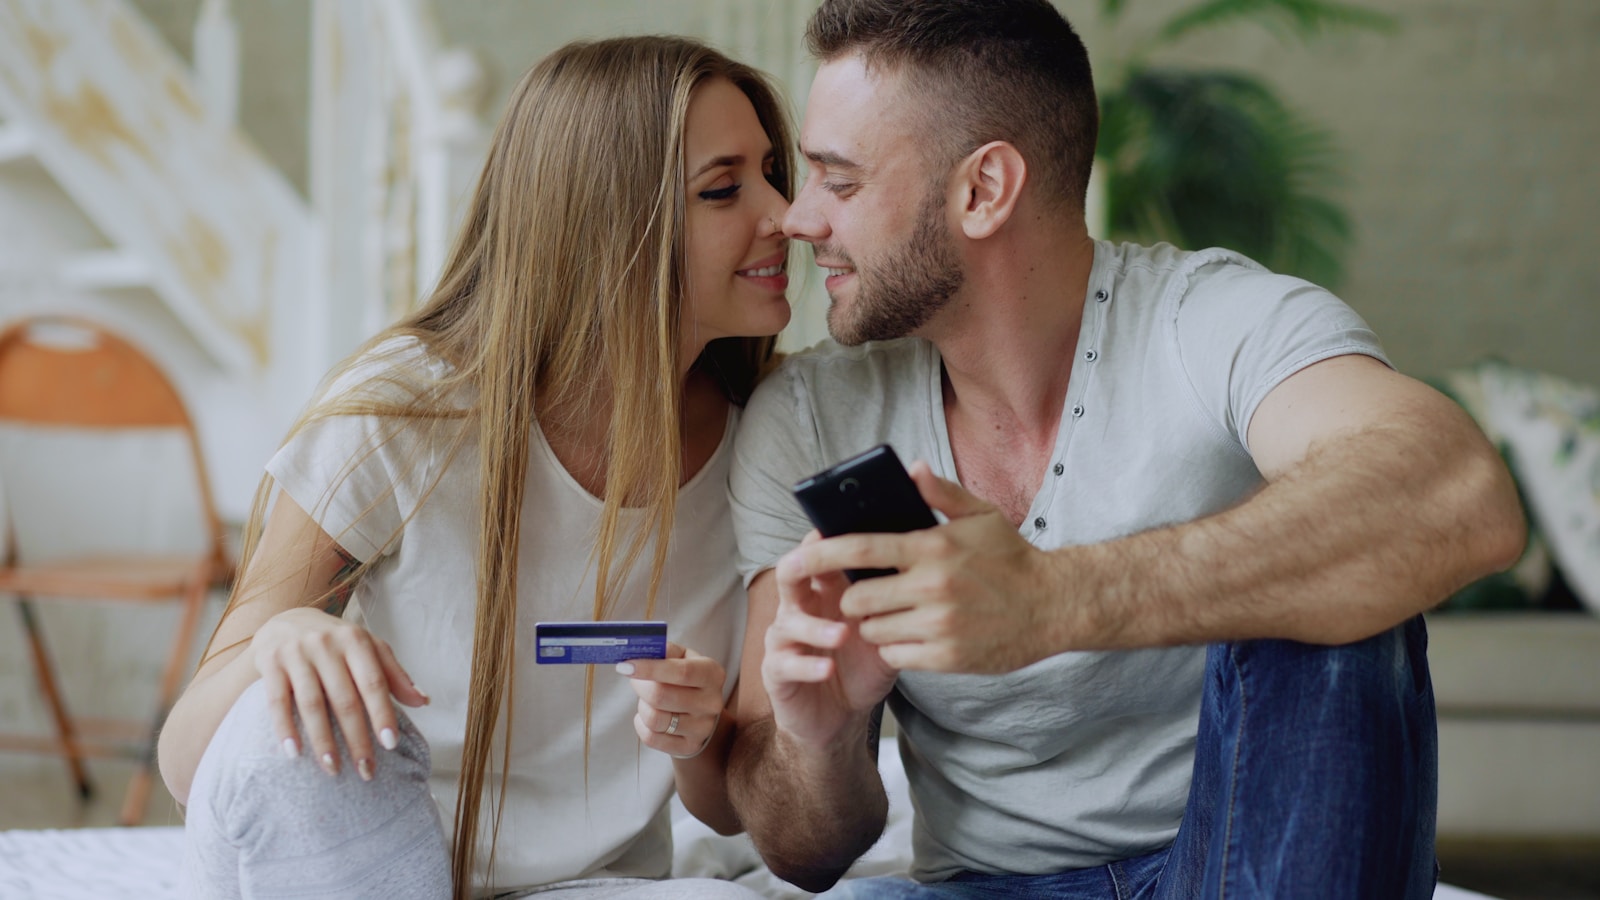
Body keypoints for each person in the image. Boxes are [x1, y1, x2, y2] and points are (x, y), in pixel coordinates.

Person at [722, 1, 1526, 898]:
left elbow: (1458, 493)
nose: (797, 220)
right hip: (977, 885)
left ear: (983, 190)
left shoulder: (1208, 320)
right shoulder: (809, 416)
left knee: (1346, 575)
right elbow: (800, 848)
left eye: (840, 181)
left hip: (1240, 866)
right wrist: (821, 741)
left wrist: (1052, 599)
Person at [157, 36, 794, 900]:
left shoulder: (767, 443)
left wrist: (696, 738)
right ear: (604, 225)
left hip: (586, 882)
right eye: (724, 189)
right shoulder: (409, 410)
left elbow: (723, 813)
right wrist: (278, 639)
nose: (784, 213)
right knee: (285, 734)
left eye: (771, 174)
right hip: (356, 855)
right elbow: (189, 756)